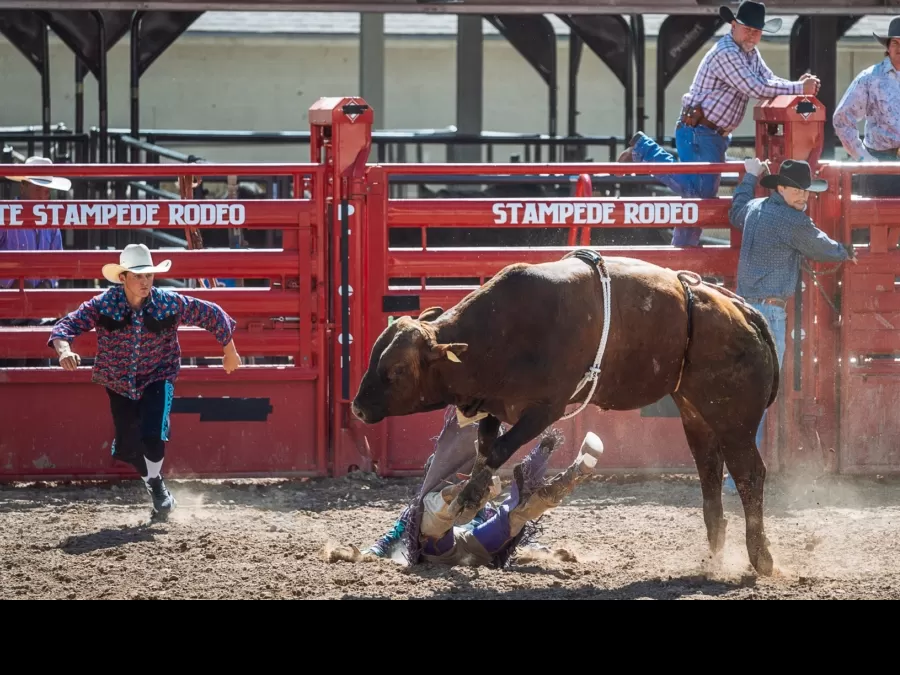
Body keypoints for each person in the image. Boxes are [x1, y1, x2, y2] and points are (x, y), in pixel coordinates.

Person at [47, 244, 242, 520]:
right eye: (138, 276)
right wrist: (64, 350)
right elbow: (64, 327)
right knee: (127, 447)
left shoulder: (167, 302)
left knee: (153, 436)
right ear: (123, 277)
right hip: (118, 382)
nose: (145, 281)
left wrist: (229, 351)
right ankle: (156, 484)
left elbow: (210, 313)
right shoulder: (102, 304)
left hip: (158, 375)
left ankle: (157, 489)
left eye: (148, 275)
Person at [618, 1, 820, 248]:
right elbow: (755, 87)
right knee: (698, 196)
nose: (753, 36)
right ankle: (646, 153)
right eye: (748, 29)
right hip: (700, 130)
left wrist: (794, 85)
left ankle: (683, 250)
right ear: (734, 25)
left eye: (757, 32)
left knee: (698, 197)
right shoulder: (726, 53)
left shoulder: (749, 53)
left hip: (709, 133)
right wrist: (799, 88)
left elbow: (767, 79)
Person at [724, 158, 856, 491]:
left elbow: (735, 208)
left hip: (738, 309)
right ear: (781, 187)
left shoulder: (755, 208)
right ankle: (738, 476)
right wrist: (847, 251)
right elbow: (823, 248)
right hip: (769, 315)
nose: (804, 196)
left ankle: (727, 471)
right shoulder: (792, 221)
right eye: (798, 190)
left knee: (737, 392)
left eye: (806, 191)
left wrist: (749, 176)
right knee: (758, 395)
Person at [363, 406, 605, 568]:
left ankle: (570, 474)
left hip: (452, 549)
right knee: (513, 516)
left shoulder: (480, 506)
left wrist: (537, 549)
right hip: (467, 549)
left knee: (507, 515)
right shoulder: (480, 506)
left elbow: (391, 536)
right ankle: (566, 475)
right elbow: (391, 538)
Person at [0, 156, 69, 367]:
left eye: (46, 190)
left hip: (39, 305)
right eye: (38, 188)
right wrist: (15, 283)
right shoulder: (5, 215)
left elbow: (58, 261)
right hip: (6, 305)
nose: (44, 194)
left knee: (40, 357)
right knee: (11, 360)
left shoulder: (51, 223)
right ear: (23, 187)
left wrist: (47, 285)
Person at [833, 16, 900, 227]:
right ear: (888, 47)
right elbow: (842, 119)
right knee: (882, 231)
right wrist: (864, 159)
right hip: (882, 164)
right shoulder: (870, 78)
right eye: (896, 42)